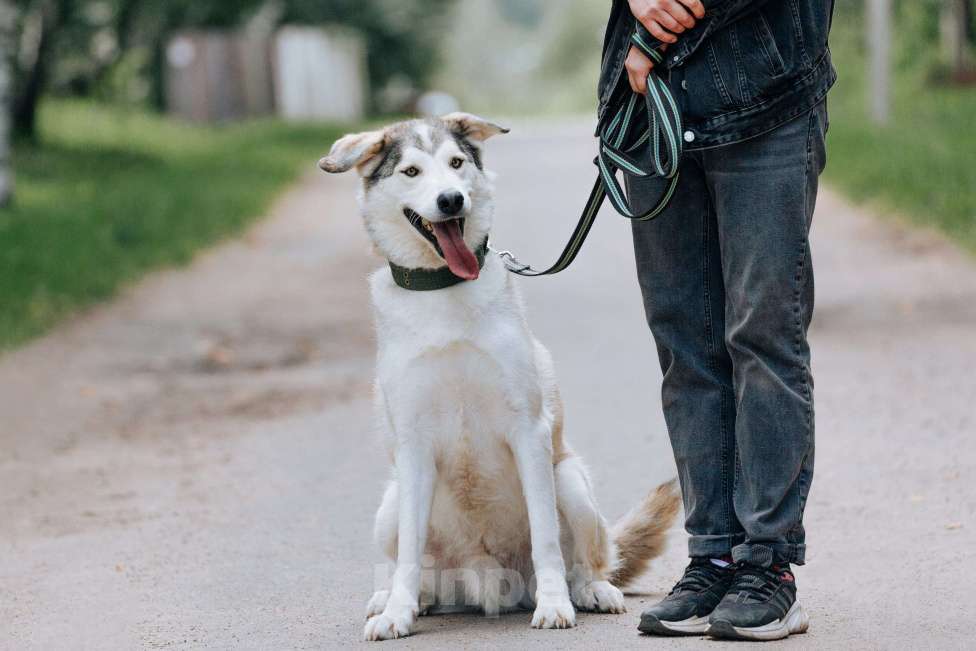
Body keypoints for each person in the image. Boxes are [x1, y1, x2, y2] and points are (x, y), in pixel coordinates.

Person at [598, 0, 836, 641]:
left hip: (766, 100)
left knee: (763, 337)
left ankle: (768, 569)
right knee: (686, 345)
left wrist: (653, 29)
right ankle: (713, 558)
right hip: (654, 112)